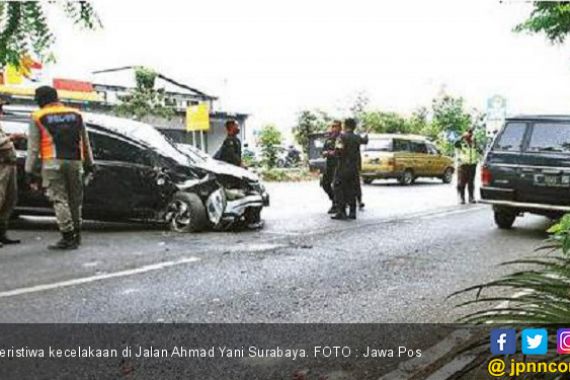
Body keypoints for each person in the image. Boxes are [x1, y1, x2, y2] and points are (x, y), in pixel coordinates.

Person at [25, 86, 94, 250]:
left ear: (42, 99)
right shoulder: (76, 114)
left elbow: (33, 148)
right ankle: (77, 235)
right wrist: (90, 164)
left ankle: (67, 236)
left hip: (52, 163)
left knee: (59, 199)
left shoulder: (38, 116)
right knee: (75, 201)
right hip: (75, 162)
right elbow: (85, 142)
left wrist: (29, 171)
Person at [0, 97, 26, 246]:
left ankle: (2, 232)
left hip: (9, 165)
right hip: (1, 165)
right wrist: (11, 138)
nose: (2, 111)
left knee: (9, 200)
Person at [331, 118, 362, 220]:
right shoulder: (357, 137)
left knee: (338, 188)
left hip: (343, 167)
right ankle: (352, 212)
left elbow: (338, 150)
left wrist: (332, 153)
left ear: (345, 126)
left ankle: (341, 211)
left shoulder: (341, 137)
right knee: (352, 189)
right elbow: (365, 140)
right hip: (354, 168)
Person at [454, 128, 482, 204]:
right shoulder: (461, 143)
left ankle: (471, 197)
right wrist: (462, 137)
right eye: (468, 134)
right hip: (463, 165)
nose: (470, 136)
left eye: (471, 134)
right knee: (461, 183)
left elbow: (480, 151)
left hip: (472, 165)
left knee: (471, 182)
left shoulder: (474, 144)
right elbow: (455, 143)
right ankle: (461, 198)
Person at [321, 121, 342, 214]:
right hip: (329, 165)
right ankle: (334, 200)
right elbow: (323, 151)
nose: (333, 128)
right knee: (324, 183)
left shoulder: (341, 138)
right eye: (332, 126)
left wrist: (329, 153)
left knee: (337, 185)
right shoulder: (329, 139)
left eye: (336, 126)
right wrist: (325, 153)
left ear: (340, 128)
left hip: (339, 165)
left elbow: (339, 151)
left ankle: (337, 204)